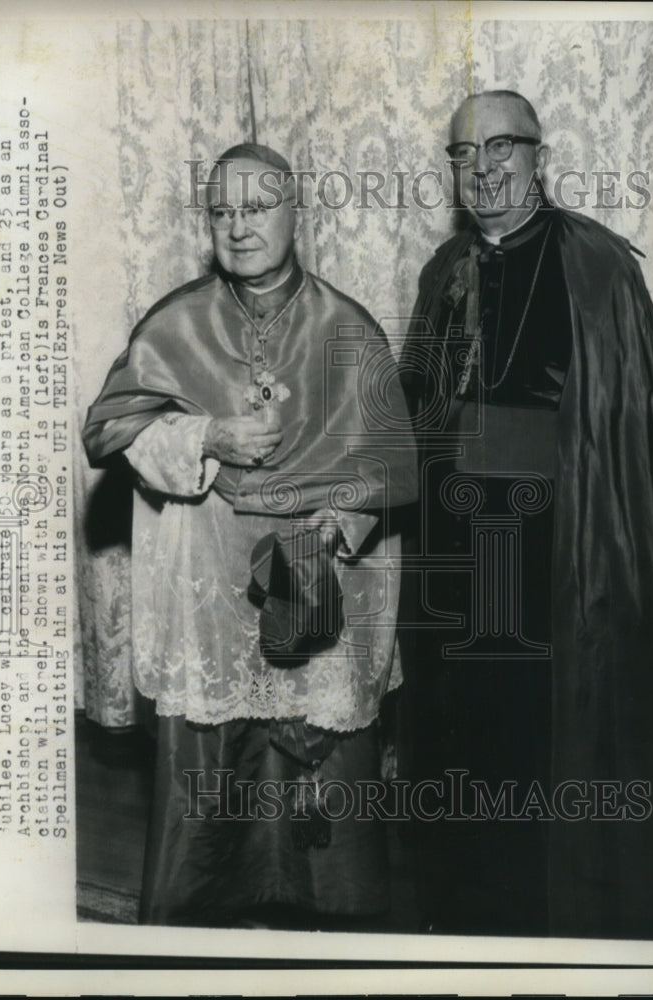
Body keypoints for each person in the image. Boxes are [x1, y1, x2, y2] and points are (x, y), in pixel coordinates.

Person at [83, 143, 417, 929]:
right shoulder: (174, 323)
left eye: (256, 207)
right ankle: (196, 928)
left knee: (324, 758)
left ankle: (338, 932)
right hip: (207, 577)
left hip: (320, 580)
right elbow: (110, 431)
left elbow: (394, 465)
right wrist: (205, 437)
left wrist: (344, 519)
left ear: (296, 210)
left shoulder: (349, 327)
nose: (238, 228)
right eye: (222, 212)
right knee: (210, 757)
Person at [401, 90, 653, 938]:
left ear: (539, 154)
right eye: (463, 154)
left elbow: (635, 431)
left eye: (500, 147)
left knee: (538, 751)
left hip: (560, 558)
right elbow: (413, 413)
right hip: (455, 564)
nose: (482, 169)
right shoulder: (444, 270)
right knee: (458, 746)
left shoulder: (598, 266)